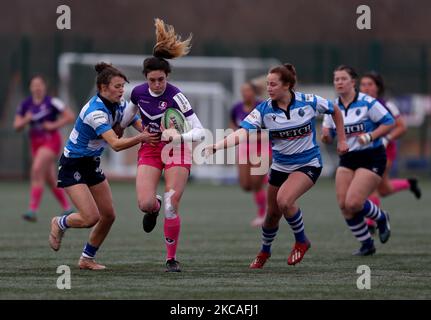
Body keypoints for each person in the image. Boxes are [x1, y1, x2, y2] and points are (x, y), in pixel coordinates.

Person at [205, 63, 348, 269]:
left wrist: (341, 139)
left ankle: (302, 241)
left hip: (308, 164)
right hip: (280, 166)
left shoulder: (308, 101)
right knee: (271, 215)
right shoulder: (263, 109)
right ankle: (265, 251)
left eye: (273, 84)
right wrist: (218, 145)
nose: (269, 88)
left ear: (287, 85)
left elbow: (335, 109)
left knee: (285, 200)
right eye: (267, 84)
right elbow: (242, 132)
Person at [48, 62, 158, 270]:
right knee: (90, 217)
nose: (121, 90)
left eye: (122, 86)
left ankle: (86, 259)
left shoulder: (119, 103)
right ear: (102, 88)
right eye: (117, 86)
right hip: (73, 165)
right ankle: (59, 222)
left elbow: (133, 119)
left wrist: (152, 132)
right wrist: (142, 138)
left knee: (108, 215)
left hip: (92, 162)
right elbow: (115, 144)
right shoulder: (94, 112)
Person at [120, 18, 205, 272]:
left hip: (177, 148)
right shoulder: (137, 93)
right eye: (153, 80)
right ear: (146, 78)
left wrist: (177, 137)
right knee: (147, 204)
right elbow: (128, 117)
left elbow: (200, 131)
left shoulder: (177, 96)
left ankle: (171, 259)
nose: (157, 84)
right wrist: (120, 128)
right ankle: (153, 207)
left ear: (167, 76)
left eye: (161, 79)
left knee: (171, 203)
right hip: (150, 148)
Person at [322, 65, 395, 256]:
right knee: (344, 205)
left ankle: (381, 217)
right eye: (336, 79)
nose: (339, 82)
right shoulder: (332, 106)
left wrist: (370, 136)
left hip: (371, 156)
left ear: (352, 82)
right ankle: (367, 244)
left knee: (354, 203)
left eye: (343, 79)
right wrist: (326, 136)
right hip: (347, 158)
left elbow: (390, 122)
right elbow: (328, 132)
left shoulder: (368, 102)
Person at [359, 72, 421, 233]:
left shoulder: (386, 104)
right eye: (363, 84)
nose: (366, 87)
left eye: (370, 84)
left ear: (378, 88)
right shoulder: (357, 105)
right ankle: (409, 183)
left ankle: (371, 224)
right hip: (364, 151)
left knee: (370, 186)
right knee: (384, 189)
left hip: (384, 151)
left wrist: (387, 139)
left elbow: (402, 126)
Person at [14, 75, 75, 222]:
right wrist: (26, 120)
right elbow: (17, 126)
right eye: (34, 85)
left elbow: (70, 116)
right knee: (49, 178)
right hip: (35, 143)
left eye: (40, 84)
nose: (37, 87)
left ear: (44, 87)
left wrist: (53, 125)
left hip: (51, 142)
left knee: (36, 169)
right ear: (30, 88)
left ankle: (32, 210)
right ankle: (68, 207)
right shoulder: (25, 105)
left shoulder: (52, 102)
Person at [229, 82, 270, 227]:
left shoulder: (263, 107)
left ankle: (263, 214)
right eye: (243, 91)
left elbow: (269, 131)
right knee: (246, 185)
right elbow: (233, 124)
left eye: (248, 90)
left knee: (256, 182)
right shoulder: (236, 108)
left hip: (262, 147)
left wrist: (251, 136)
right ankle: (268, 179)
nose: (245, 93)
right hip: (244, 147)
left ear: (254, 92)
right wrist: (236, 134)